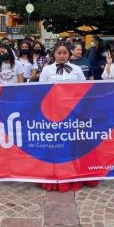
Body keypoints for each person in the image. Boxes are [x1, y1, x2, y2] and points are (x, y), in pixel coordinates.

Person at [39, 41, 98, 192]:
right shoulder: (46, 70)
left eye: (65, 53)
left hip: (73, 113)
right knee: (56, 144)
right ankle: (55, 176)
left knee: (73, 144)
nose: (62, 56)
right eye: (59, 53)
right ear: (54, 54)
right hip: (53, 114)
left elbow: (84, 90)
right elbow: (40, 91)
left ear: (69, 54)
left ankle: (74, 175)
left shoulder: (77, 70)